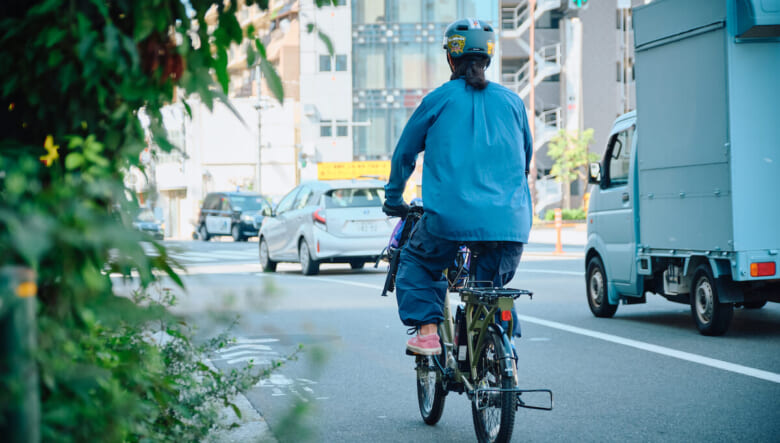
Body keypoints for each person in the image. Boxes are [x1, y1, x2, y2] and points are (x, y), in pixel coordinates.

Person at [382, 18, 533, 356]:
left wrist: (394, 198)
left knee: (418, 261)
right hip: (511, 223)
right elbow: (525, 161)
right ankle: (487, 340)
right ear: (489, 59)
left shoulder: (437, 100)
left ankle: (428, 333)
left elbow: (404, 154)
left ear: (451, 58)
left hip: (448, 219)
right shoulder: (513, 103)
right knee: (488, 289)